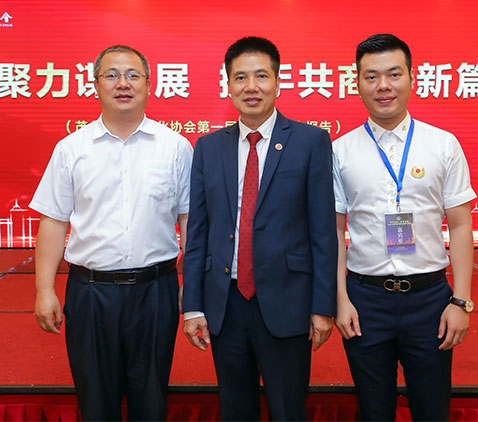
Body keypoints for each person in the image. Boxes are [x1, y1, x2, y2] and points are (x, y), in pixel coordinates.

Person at [31, 45, 193, 421]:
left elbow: (189, 220)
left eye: (133, 75)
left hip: (156, 292)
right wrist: (43, 290)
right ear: (96, 85)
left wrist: (192, 285)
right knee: (96, 403)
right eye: (112, 75)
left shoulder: (175, 147)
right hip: (90, 293)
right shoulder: (71, 149)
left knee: (150, 401)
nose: (123, 83)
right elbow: (53, 221)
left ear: (149, 85)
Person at [182, 36, 337, 421]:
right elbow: (198, 231)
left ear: (278, 82)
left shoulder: (310, 141)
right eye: (241, 78)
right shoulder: (208, 147)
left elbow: (322, 230)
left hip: (288, 300)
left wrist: (323, 307)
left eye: (261, 76)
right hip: (226, 301)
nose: (251, 87)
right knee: (236, 409)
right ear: (228, 85)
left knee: (288, 409)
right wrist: (192, 306)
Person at [332, 34, 476, 421]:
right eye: (371, 76)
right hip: (365, 301)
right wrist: (340, 299)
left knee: (432, 409)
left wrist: (460, 302)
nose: (383, 85)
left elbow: (461, 225)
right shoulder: (340, 150)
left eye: (394, 74)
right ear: (356, 83)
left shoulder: (443, 144)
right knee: (373, 409)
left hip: (430, 301)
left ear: (412, 78)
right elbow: (334, 232)